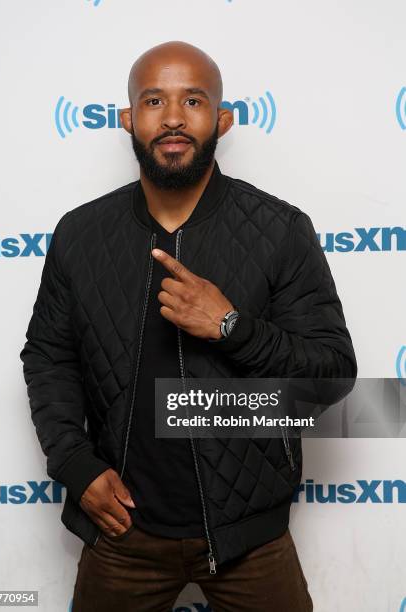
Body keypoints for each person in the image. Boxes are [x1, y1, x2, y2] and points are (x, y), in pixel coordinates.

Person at [20, 40, 357, 611]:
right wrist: (75, 463)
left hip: (250, 535)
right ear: (128, 118)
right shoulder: (80, 234)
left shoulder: (280, 230)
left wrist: (232, 326)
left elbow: (333, 374)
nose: (173, 117)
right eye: (154, 100)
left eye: (193, 101)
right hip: (122, 531)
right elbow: (49, 358)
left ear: (221, 121)